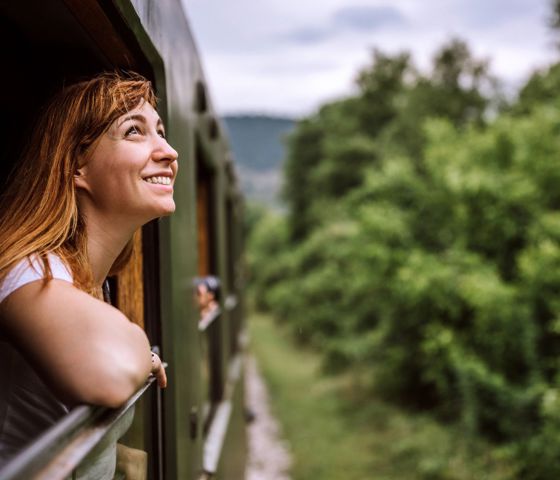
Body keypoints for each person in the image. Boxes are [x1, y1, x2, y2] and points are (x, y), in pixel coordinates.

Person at [0, 72, 177, 477]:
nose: (168, 150)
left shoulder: (93, 281)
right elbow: (109, 373)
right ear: (77, 166)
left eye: (162, 132)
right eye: (135, 132)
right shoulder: (30, 268)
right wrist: (142, 347)